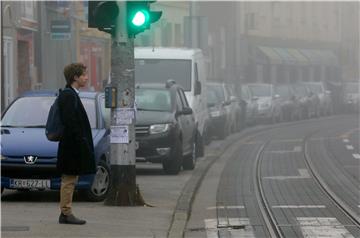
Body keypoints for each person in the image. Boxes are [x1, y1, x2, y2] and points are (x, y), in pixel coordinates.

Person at [57, 63, 96, 225]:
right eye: (84, 75)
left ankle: (66, 212)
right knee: (69, 179)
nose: (86, 78)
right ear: (75, 77)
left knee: (70, 178)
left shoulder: (71, 94)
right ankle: (66, 213)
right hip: (71, 146)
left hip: (72, 144)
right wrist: (81, 140)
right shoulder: (68, 95)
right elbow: (71, 122)